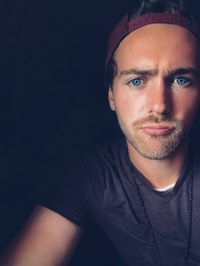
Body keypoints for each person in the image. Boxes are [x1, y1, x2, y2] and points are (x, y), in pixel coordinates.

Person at [2, 0, 200, 265]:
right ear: (112, 96)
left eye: (180, 80)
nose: (160, 105)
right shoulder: (93, 177)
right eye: (137, 81)